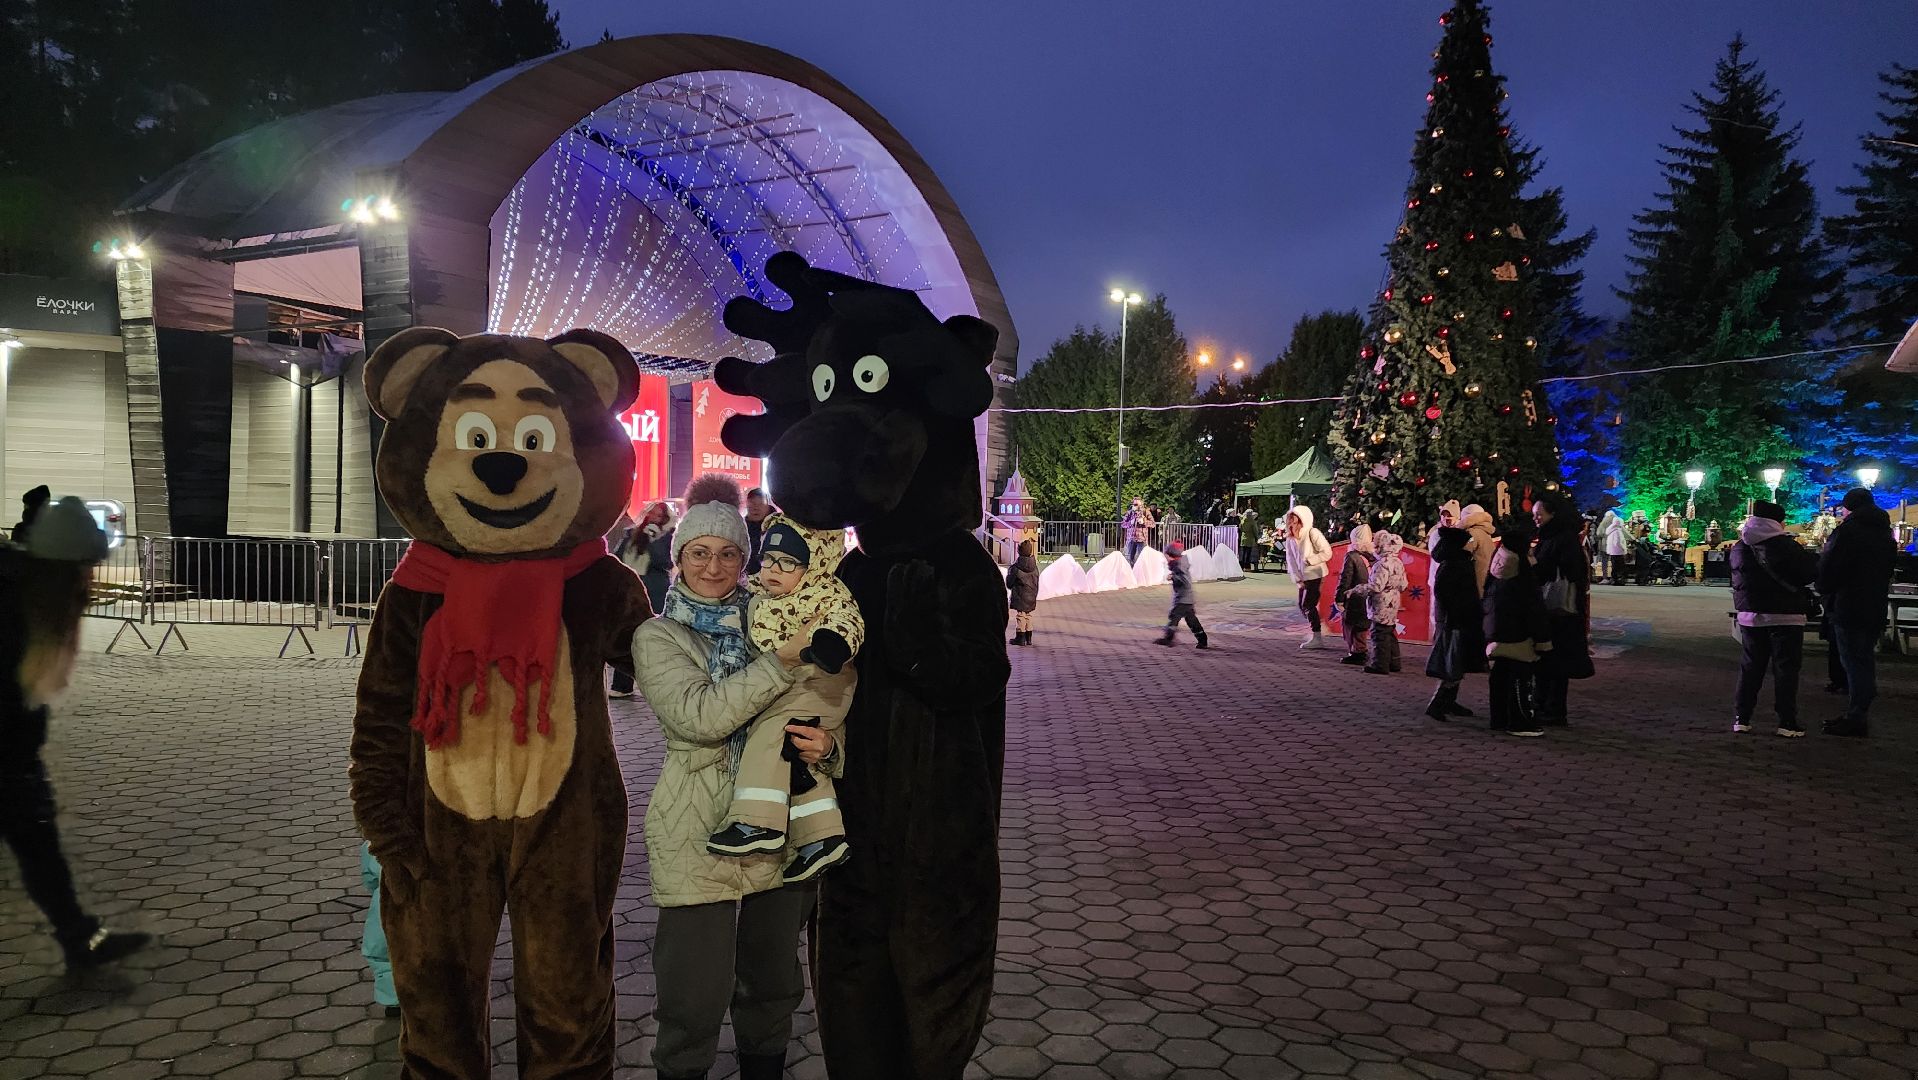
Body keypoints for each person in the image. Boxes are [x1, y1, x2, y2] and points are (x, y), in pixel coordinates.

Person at [629, 476, 832, 1080]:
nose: (713, 567)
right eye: (698, 553)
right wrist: (780, 661)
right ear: (679, 559)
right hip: (696, 824)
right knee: (692, 995)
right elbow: (699, 719)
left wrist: (830, 746)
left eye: (727, 554)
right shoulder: (658, 636)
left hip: (777, 818)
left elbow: (819, 705)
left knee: (772, 983)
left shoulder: (772, 623)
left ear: (744, 561)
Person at [1, 494, 151, 968]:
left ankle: (79, 936)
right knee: (37, 843)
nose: (88, 581)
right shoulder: (14, 604)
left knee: (39, 847)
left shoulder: (27, 591)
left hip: (13, 756)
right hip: (7, 758)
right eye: (84, 569)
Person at [706, 513, 860, 886]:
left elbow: (847, 622)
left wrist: (829, 645)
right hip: (794, 686)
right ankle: (821, 837)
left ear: (813, 564)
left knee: (771, 731)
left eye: (788, 562)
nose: (774, 569)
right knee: (794, 757)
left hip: (820, 682)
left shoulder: (824, 593)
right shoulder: (759, 592)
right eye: (768, 559)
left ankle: (757, 821)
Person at [1730, 500, 1820, 737]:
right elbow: (1808, 572)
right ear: (1777, 522)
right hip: (1785, 614)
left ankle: (1742, 718)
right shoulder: (1785, 545)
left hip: (1750, 614)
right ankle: (1786, 721)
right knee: (1786, 669)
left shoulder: (1740, 546)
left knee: (1751, 667)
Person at [1817, 488, 1896, 738]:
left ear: (1849, 507)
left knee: (1853, 661)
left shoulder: (1848, 532)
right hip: (1874, 604)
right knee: (1864, 659)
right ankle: (1858, 710)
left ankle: (1856, 715)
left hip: (1848, 603)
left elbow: (1830, 567)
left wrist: (1824, 589)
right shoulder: (1885, 533)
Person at [1531, 492, 1594, 727]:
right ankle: (1545, 705)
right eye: (1534, 515)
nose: (1536, 519)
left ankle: (1553, 709)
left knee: (1554, 662)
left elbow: (1563, 572)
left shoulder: (1562, 539)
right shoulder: (1553, 536)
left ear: (1552, 514)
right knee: (1548, 660)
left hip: (1560, 612)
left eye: (1539, 515)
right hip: (1556, 611)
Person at [1483, 517, 1549, 737]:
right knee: (1520, 678)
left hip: (1497, 631)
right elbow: (1534, 609)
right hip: (1520, 635)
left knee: (1500, 674)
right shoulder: (1523, 573)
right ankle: (1520, 721)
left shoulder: (1497, 567)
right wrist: (1542, 639)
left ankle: (1498, 719)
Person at [1425, 519, 1485, 720]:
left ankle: (1449, 701)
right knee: (1453, 662)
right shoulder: (1457, 564)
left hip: (1455, 618)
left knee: (1456, 660)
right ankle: (1438, 704)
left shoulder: (1452, 562)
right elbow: (1453, 594)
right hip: (1456, 620)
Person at [1349, 529, 1407, 675]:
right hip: (1393, 601)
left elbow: (1376, 586)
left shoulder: (1381, 565)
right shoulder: (1398, 562)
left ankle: (1379, 665)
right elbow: (1403, 584)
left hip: (1381, 604)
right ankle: (1394, 662)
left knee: (1379, 634)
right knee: (1389, 632)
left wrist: (1358, 589)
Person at [1284, 505, 1334, 650]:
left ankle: (1317, 636)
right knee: (1302, 606)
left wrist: (1310, 560)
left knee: (1308, 605)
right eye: (1289, 519)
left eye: (1294, 519)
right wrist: (1297, 577)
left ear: (1302, 519)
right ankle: (1318, 626)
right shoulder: (1290, 538)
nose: (1291, 522)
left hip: (1316, 574)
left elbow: (1327, 552)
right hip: (1303, 577)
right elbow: (1291, 560)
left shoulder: (1313, 533)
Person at [358, 843, 399, 1015]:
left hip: (385, 905)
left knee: (384, 954)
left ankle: (393, 1000)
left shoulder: (377, 842)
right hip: (427, 907)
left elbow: (369, 876)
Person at [1333, 524, 1375, 666]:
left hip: (1354, 597)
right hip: (1368, 597)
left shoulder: (1352, 556)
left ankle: (1357, 652)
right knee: (1362, 625)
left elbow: (1345, 578)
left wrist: (1339, 598)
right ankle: (1360, 650)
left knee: (1351, 625)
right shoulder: (1372, 557)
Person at [1154, 539, 1207, 648]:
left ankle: (1168, 638)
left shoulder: (1179, 565)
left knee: (1174, 616)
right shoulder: (1178, 564)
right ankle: (1202, 639)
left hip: (1183, 598)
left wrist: (1174, 577)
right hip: (1186, 598)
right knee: (1191, 619)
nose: (1165, 558)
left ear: (1172, 555)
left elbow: (1185, 581)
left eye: (1167, 556)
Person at [1006, 538, 1040, 647]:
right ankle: (1029, 637)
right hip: (1031, 595)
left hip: (1020, 595)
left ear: (1019, 552)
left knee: (1021, 615)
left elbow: (1009, 583)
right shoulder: (1035, 567)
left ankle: (1020, 637)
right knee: (1028, 614)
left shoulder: (1016, 567)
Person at [744, 487, 775, 574]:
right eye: (752, 503)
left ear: (768, 506)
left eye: (760, 504)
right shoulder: (740, 528)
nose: (756, 508)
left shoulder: (777, 527)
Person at [1596, 509, 1627, 584]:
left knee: (1605, 561)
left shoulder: (1603, 522)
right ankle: (1614, 578)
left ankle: (1605, 577)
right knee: (1615, 562)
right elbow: (1624, 532)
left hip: (1605, 544)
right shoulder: (1617, 521)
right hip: (1615, 546)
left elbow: (1599, 533)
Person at [1121, 497, 1154, 564]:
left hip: (1142, 539)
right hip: (1131, 539)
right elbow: (1123, 524)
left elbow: (1153, 524)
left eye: (1136, 504)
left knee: (1141, 558)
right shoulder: (1130, 513)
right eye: (1133, 504)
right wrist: (1130, 522)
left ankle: (1140, 572)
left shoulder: (1146, 512)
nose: (1133, 506)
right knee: (1129, 558)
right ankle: (1130, 571)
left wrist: (1144, 521)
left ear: (1140, 505)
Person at [1239, 506, 1261, 573]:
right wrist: (1257, 538)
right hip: (1250, 538)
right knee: (1248, 554)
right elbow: (1255, 531)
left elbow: (1240, 528)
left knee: (1242, 553)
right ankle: (1247, 567)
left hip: (1243, 537)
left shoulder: (1242, 520)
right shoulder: (1252, 521)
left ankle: (1241, 567)